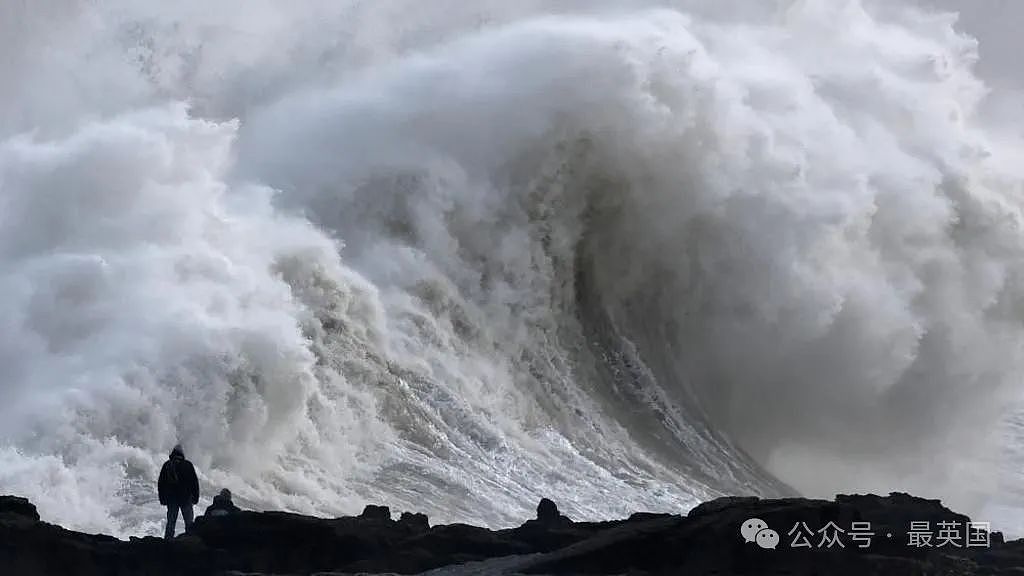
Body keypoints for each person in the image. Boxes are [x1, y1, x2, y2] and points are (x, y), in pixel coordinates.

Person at [157, 444, 199, 539]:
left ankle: (167, 543)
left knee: (171, 523)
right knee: (189, 524)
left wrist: (162, 499)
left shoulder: (167, 465)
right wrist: (195, 498)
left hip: (172, 499)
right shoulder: (188, 465)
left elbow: (161, 484)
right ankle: (190, 542)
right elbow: (194, 483)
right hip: (186, 498)